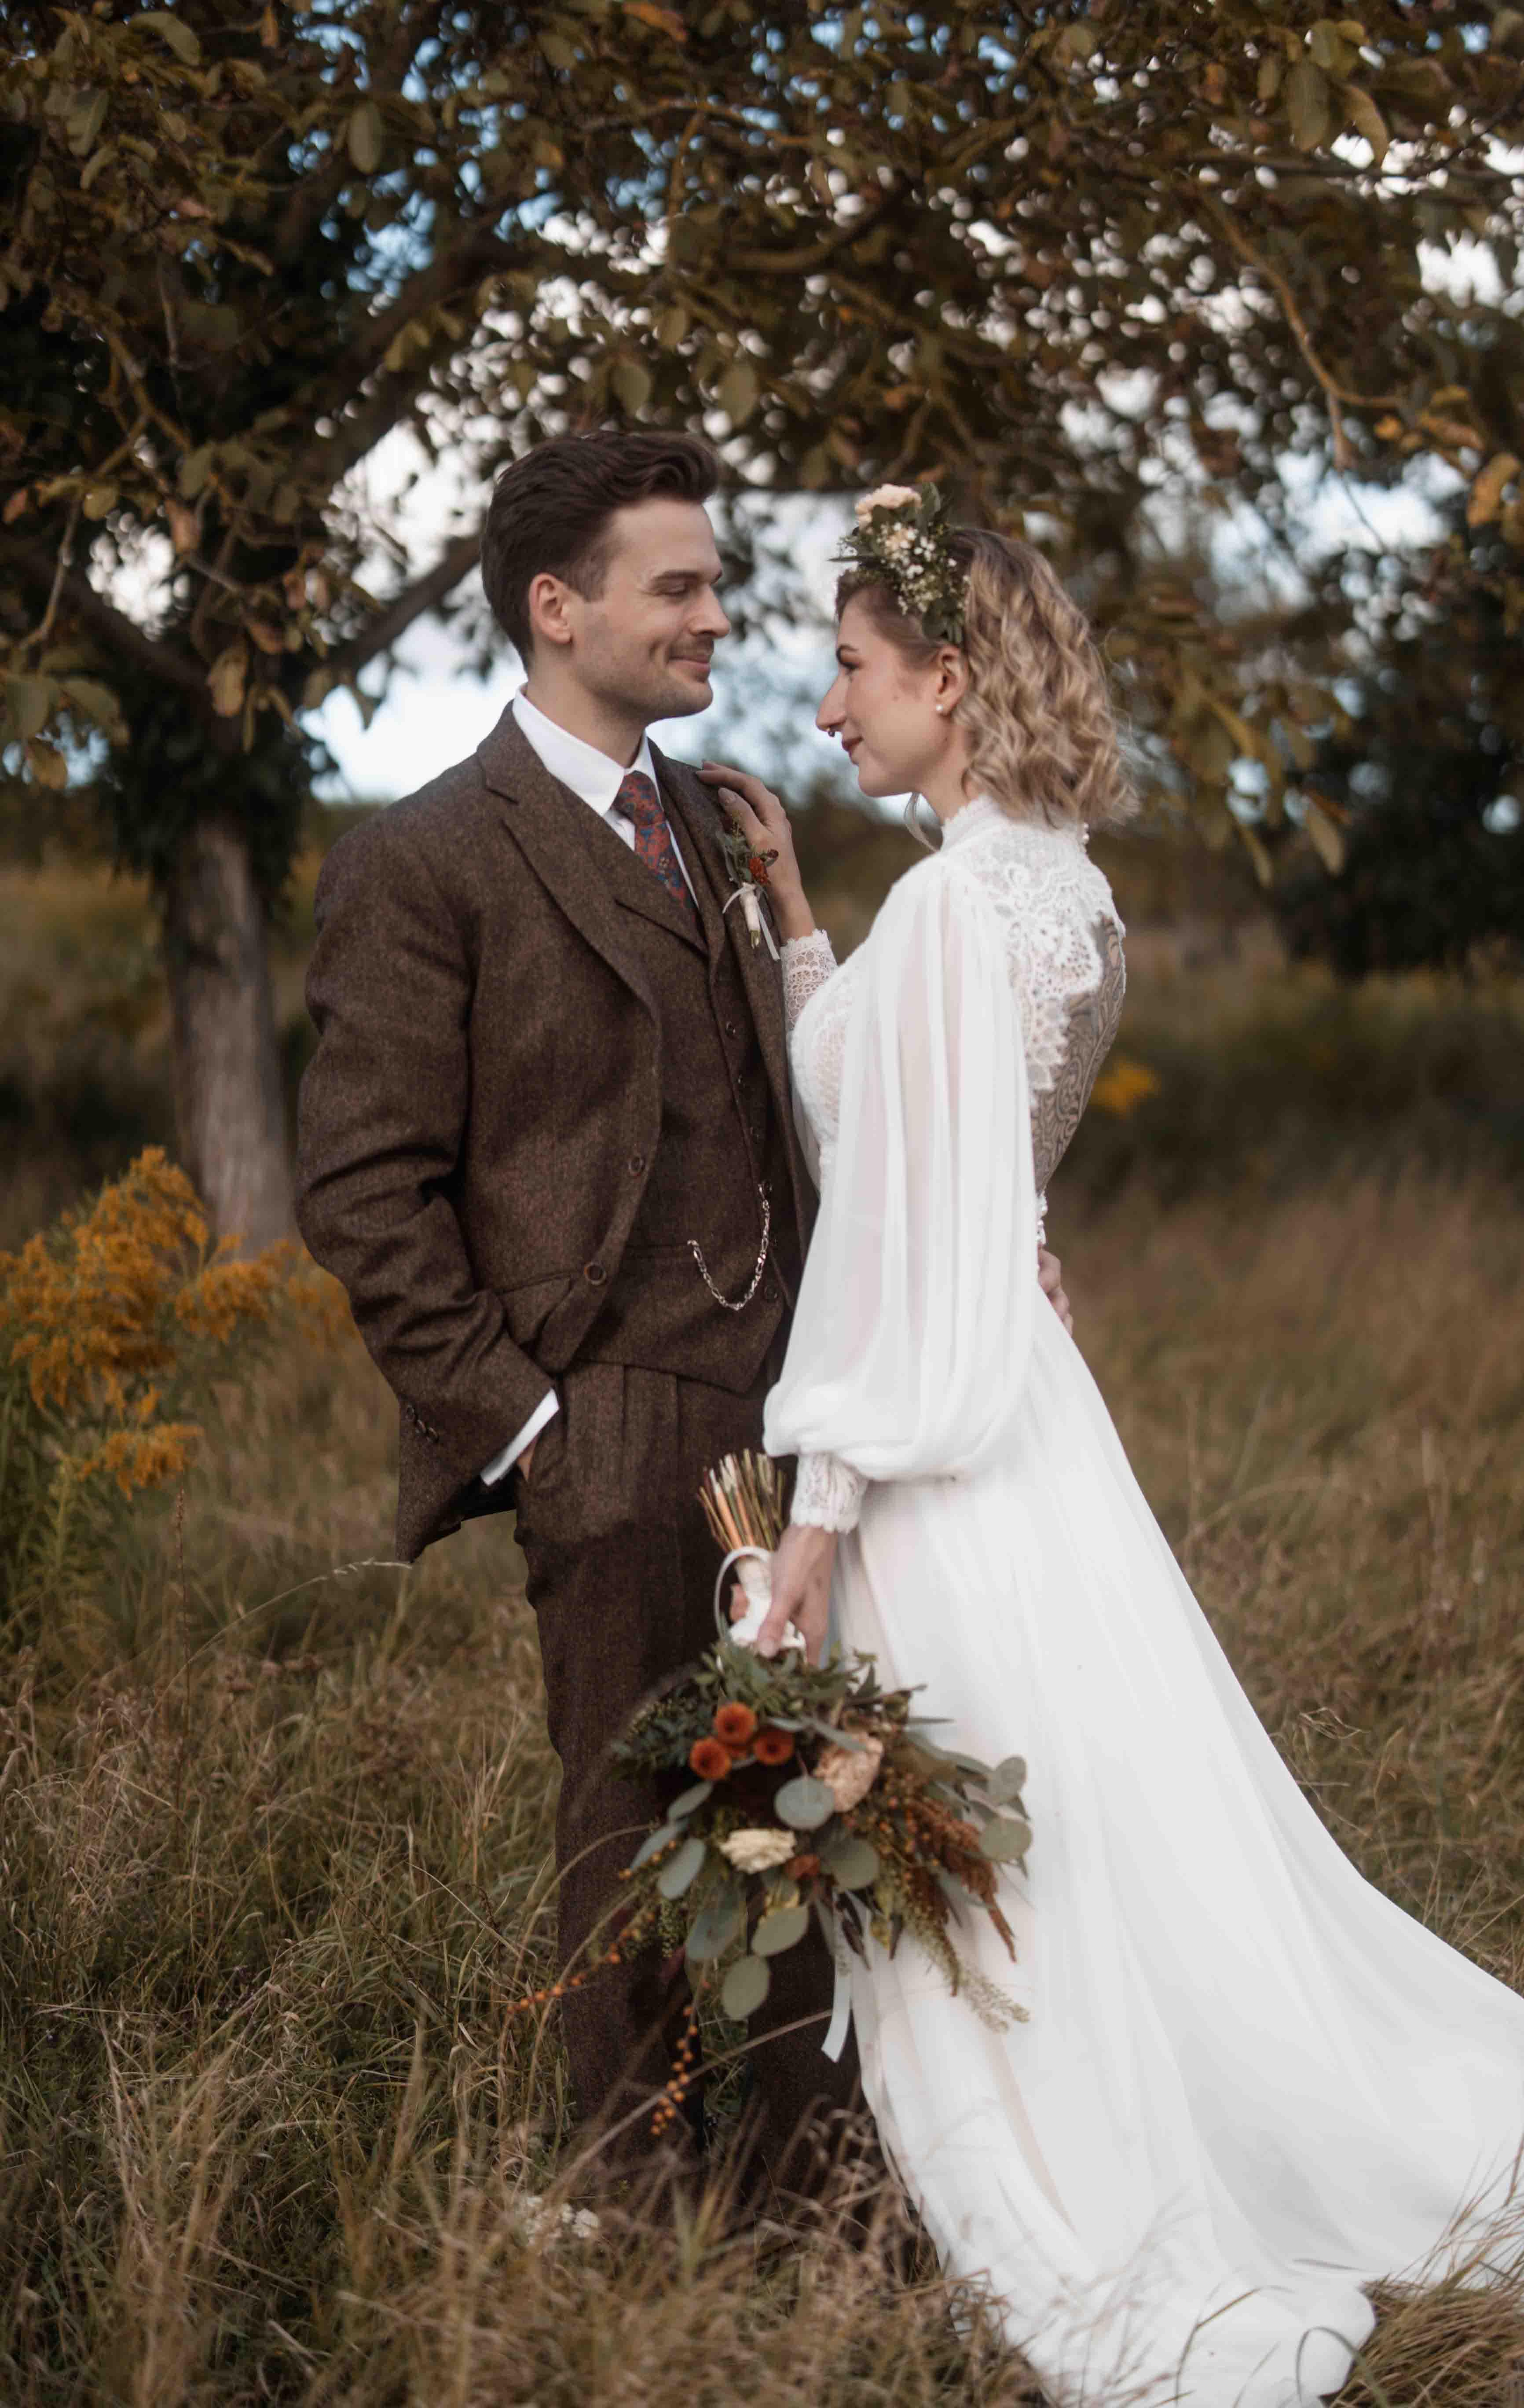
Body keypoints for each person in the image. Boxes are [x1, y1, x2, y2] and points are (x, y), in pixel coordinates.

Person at [713, 485, 1524, 2404]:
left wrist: (816, 1514)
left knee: (1011, 1838)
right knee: (1114, 1812)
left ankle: (1085, 2197)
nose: (827, 710)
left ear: (949, 680)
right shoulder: (1063, 888)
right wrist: (795, 917)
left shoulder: (959, 906)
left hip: (941, 1435)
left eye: (854, 672)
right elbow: (915, 1134)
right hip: (1032, 1408)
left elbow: (888, 1232)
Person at [290, 433, 1073, 2210]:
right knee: (632, 1836)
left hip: (806, 1417)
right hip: (606, 1425)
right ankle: (629, 2216)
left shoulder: (717, 822)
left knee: (818, 1817)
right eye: (682, 588)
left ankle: (811, 2210)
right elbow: (362, 1191)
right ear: (557, 609)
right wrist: (529, 1427)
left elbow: (827, 1103)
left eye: (720, 584)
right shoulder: (429, 859)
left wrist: (982, 1235)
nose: (723, 618)